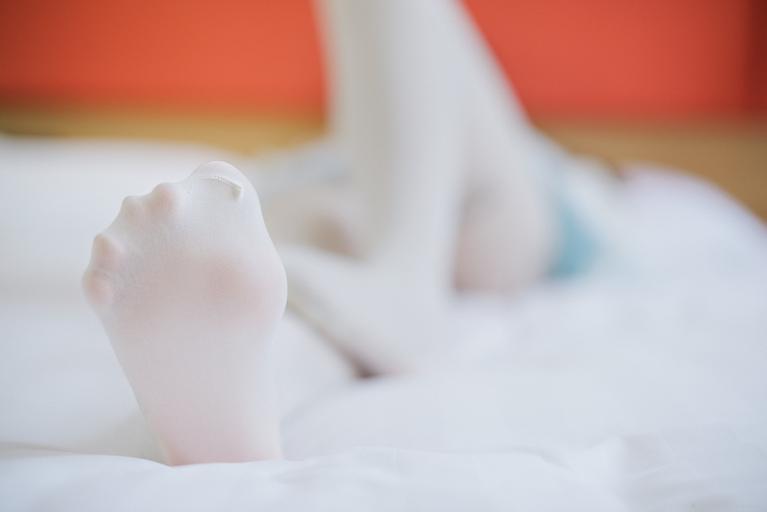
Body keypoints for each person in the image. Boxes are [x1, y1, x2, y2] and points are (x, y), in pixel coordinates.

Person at [82, 0, 598, 465]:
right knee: (273, 269)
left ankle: (403, 276)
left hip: (482, 215)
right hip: (355, 228)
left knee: (280, 239)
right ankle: (225, 421)